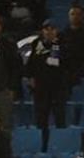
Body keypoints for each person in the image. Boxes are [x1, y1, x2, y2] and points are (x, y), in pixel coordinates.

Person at [26, 18, 70, 146]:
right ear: (42, 31)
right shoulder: (36, 44)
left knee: (59, 118)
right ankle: (42, 144)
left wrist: (54, 58)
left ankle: (61, 144)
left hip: (58, 88)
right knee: (41, 120)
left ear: (57, 31)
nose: (49, 32)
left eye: (52, 29)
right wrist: (30, 77)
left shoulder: (63, 44)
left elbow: (65, 63)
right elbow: (30, 65)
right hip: (40, 89)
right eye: (46, 29)